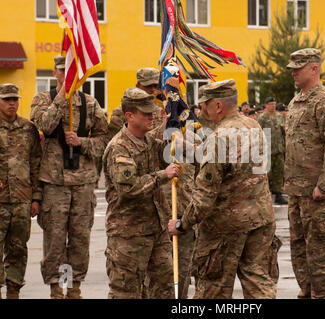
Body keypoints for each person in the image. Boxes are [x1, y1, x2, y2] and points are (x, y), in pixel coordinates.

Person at [168, 79, 280, 299]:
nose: (202, 110)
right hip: (260, 220)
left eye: (206, 104)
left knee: (213, 290)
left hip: (226, 227)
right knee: (259, 286)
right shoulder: (253, 126)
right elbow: (234, 163)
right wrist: (190, 148)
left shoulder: (219, 137)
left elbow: (204, 197)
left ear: (218, 106)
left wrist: (183, 224)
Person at [30, 55, 109, 299]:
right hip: (54, 183)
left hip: (83, 183)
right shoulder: (43, 99)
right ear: (55, 73)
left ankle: (73, 288)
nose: (69, 75)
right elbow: (44, 124)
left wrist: (82, 142)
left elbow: (105, 141)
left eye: (74, 71)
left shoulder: (91, 103)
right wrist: (63, 97)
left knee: (79, 239)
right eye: (64, 71)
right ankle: (57, 288)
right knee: (54, 240)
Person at [103, 88, 181, 299]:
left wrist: (169, 129)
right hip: (128, 235)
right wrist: (162, 175)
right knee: (126, 293)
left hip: (156, 230)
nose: (151, 116)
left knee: (163, 290)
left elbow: (169, 155)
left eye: (152, 112)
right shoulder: (119, 147)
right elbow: (128, 189)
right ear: (129, 116)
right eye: (145, 113)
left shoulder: (148, 142)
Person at [284, 48, 325, 299]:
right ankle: (306, 293)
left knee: (319, 257)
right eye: (292, 69)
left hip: (319, 196)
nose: (293, 73)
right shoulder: (295, 101)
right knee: (299, 253)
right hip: (297, 192)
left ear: (314, 68)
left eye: (298, 68)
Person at [0, 84, 42, 299]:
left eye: (15, 99)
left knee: (18, 250)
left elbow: (36, 163)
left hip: (22, 200)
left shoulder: (28, 128)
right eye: (6, 99)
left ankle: (14, 292)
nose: (12, 103)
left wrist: (36, 198)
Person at [107, 67, 164, 142]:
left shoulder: (163, 109)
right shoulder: (122, 112)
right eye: (148, 86)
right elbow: (113, 140)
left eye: (156, 86)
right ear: (137, 86)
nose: (153, 89)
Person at [257, 97, 287, 205]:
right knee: (267, 174)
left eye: (274, 104)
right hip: (267, 151)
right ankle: (266, 195)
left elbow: (283, 132)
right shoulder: (262, 118)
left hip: (279, 149)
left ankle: (278, 194)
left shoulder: (279, 117)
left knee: (279, 172)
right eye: (271, 104)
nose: (273, 106)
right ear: (266, 105)